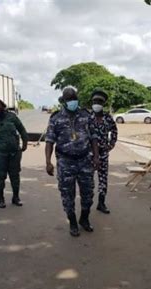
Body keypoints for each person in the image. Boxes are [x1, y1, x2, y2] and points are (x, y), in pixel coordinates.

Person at [45, 87, 100, 237]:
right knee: (67, 195)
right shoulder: (56, 118)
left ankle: (84, 218)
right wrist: (48, 162)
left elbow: (94, 137)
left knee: (88, 193)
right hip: (65, 161)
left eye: (74, 98)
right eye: (69, 99)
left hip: (85, 160)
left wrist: (96, 156)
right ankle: (73, 222)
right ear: (63, 101)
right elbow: (49, 141)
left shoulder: (86, 115)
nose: (72, 101)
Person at [89, 90, 118, 214]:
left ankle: (101, 203)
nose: (97, 103)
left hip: (103, 153)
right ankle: (87, 203)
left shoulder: (108, 118)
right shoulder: (87, 117)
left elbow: (114, 131)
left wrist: (111, 145)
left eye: (99, 101)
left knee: (103, 179)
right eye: (95, 101)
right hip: (89, 154)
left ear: (104, 103)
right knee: (88, 179)